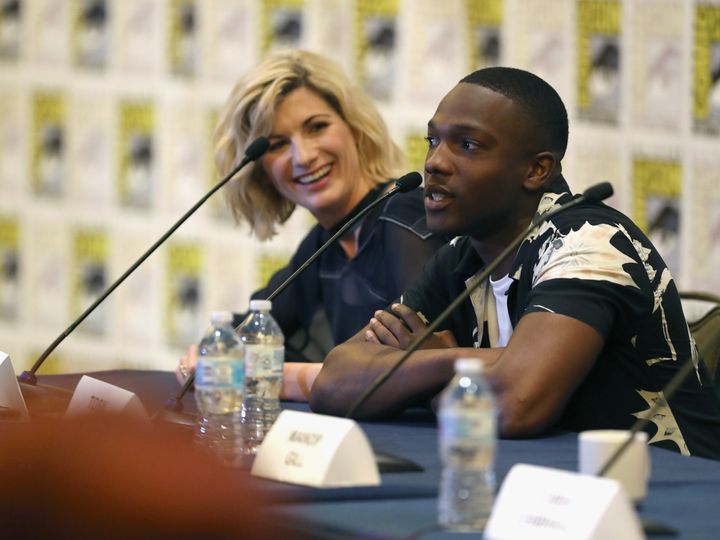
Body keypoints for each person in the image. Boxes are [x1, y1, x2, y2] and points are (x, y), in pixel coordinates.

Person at [311, 67, 720, 460]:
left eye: (467, 145)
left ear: (536, 169)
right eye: (433, 140)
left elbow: (511, 407)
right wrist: (464, 360)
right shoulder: (463, 255)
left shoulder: (589, 241)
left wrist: (425, 372)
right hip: (557, 488)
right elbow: (335, 382)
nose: (435, 162)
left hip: (672, 496)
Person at [176, 50, 446, 401]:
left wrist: (266, 374)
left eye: (317, 127)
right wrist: (208, 352)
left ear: (356, 130)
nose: (303, 157)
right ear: (262, 172)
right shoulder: (324, 243)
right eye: (277, 145)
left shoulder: (404, 214)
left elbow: (408, 366)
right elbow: (251, 328)